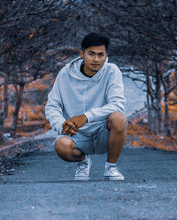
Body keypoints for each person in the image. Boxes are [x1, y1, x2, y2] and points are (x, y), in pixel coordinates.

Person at [45, 32, 127, 181]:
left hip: (104, 133)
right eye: (91, 54)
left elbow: (117, 104)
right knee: (60, 145)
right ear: (82, 54)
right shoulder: (65, 74)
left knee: (119, 118)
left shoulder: (112, 71)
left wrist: (86, 117)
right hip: (77, 135)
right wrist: (61, 126)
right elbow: (52, 105)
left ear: (106, 55)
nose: (96, 59)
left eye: (100, 55)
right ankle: (83, 161)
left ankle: (111, 167)